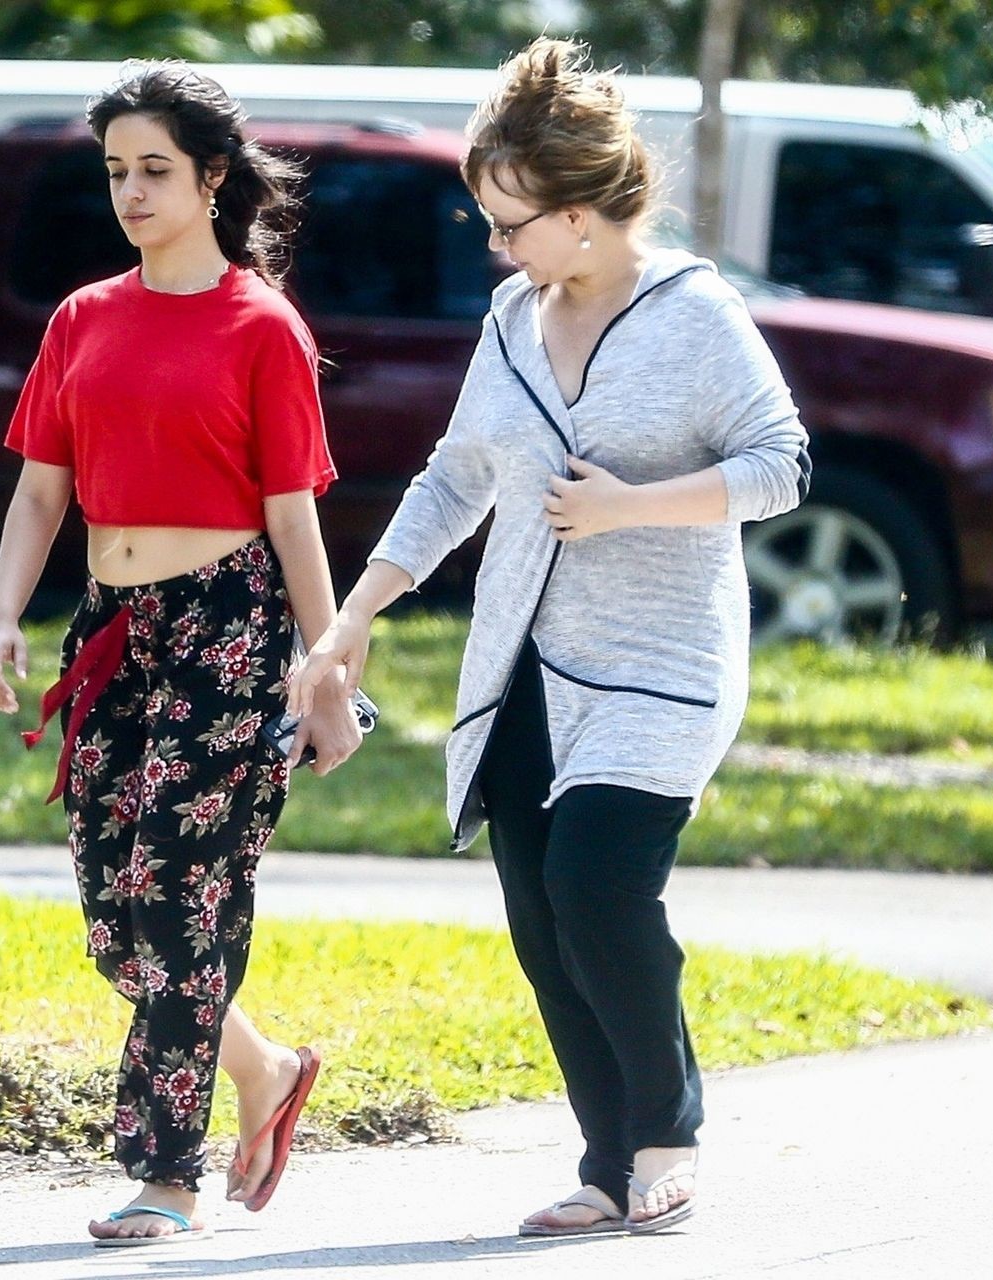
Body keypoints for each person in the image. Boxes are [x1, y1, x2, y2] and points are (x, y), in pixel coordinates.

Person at [289, 38, 811, 1238]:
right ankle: (608, 1161)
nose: (495, 245)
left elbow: (779, 464)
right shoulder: (514, 317)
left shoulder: (697, 315)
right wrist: (353, 615)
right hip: (522, 659)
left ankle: (668, 1133)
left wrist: (634, 504)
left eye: (509, 224)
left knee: (597, 883)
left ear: (580, 215)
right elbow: (455, 477)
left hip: (662, 663)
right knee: (541, 915)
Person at [0, 60, 363, 1248]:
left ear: (212, 178)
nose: (132, 193)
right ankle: (263, 1066)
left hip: (228, 624)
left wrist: (327, 668)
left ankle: (165, 1172)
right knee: (113, 911)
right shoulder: (82, 318)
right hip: (112, 625)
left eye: (154, 170)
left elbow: (294, 516)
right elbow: (41, 491)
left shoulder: (262, 326)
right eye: (115, 172)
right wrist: (2, 616)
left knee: (181, 897)